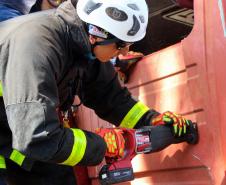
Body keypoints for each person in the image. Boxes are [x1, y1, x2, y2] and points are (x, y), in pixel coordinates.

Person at [0, 0, 193, 185]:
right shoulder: (37, 47)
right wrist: (103, 144)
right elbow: (37, 137)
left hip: (15, 132)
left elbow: (112, 99)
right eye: (120, 44)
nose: (125, 52)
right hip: (20, 133)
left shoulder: (83, 46)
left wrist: (151, 120)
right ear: (96, 33)